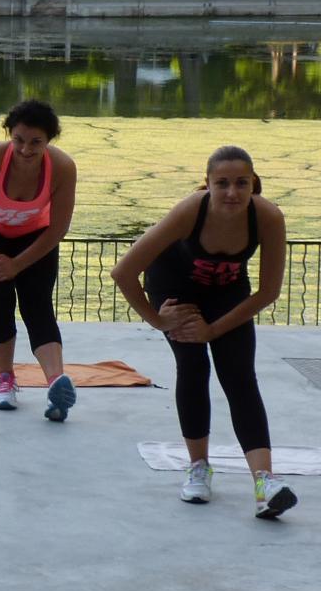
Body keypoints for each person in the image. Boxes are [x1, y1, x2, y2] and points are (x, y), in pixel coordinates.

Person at [110, 145, 296, 518]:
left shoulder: (268, 217)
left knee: (240, 376)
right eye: (222, 183)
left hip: (227, 292)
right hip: (176, 289)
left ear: (253, 184)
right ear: (207, 184)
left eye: (241, 183)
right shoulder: (190, 211)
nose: (232, 192)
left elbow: (268, 291)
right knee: (193, 367)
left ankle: (265, 481)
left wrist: (214, 329)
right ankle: (198, 467)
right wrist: (159, 320)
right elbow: (123, 272)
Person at [0, 98, 80, 421]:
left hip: (36, 239)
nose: (25, 149)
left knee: (38, 305)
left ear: (49, 141)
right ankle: (5, 379)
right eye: (18, 140)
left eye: (36, 142)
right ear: (9, 135)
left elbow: (58, 228)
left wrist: (18, 264)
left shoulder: (62, 167)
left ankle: (56, 385)